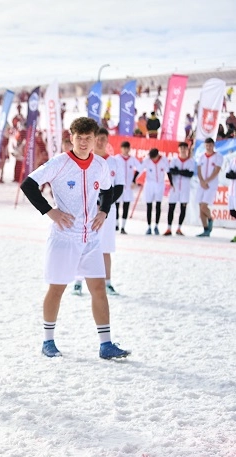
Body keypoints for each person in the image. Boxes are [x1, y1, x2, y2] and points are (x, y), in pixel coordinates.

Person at [20, 117, 130, 360]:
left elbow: (108, 189)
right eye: (79, 138)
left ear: (94, 140)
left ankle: (106, 344)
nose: (83, 142)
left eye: (88, 138)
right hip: (64, 238)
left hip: (90, 238)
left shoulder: (100, 165)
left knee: (99, 288)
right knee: (57, 289)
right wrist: (50, 211)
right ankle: (48, 341)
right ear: (71, 138)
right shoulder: (59, 163)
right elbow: (28, 185)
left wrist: (104, 211)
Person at [72, 128, 124, 296]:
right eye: (98, 139)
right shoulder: (87, 160)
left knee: (105, 248)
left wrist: (105, 206)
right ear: (94, 141)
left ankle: (107, 282)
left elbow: (119, 188)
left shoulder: (115, 162)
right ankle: (78, 282)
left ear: (108, 141)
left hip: (107, 211)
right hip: (88, 210)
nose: (101, 142)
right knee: (84, 244)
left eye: (104, 139)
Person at [164, 142, 195, 236]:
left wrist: (178, 171)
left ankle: (179, 228)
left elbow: (190, 174)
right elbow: (171, 171)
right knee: (171, 207)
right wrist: (182, 172)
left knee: (183, 208)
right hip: (175, 187)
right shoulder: (174, 160)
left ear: (187, 150)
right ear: (178, 149)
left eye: (185, 148)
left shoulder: (191, 161)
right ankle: (169, 228)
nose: (183, 150)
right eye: (181, 148)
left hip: (185, 188)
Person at [194, 138, 223, 237]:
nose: (208, 147)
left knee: (204, 206)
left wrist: (207, 181)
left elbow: (217, 170)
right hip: (201, 184)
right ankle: (205, 229)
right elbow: (198, 169)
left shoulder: (218, 156)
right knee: (200, 207)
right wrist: (202, 181)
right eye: (207, 145)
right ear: (204, 146)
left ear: (213, 145)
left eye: (210, 145)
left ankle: (210, 218)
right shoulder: (201, 157)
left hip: (211, 185)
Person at [140, 148, 169, 235]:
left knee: (158, 205)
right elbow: (139, 169)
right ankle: (149, 226)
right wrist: (134, 180)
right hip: (149, 184)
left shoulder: (164, 160)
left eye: (154, 157)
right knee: (149, 205)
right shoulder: (147, 160)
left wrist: (172, 183)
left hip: (160, 184)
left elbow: (168, 171)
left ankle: (156, 226)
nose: (153, 159)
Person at [114, 141, 140, 234]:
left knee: (126, 206)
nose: (125, 150)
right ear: (121, 148)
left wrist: (134, 180)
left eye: (127, 148)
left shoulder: (132, 159)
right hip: (118, 186)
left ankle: (123, 227)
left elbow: (140, 168)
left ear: (129, 149)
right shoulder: (116, 158)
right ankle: (116, 224)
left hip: (128, 187)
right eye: (124, 148)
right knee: (116, 206)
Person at [225, 158, 236, 242]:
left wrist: (233, 174)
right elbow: (227, 174)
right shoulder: (233, 160)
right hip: (231, 191)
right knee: (232, 212)